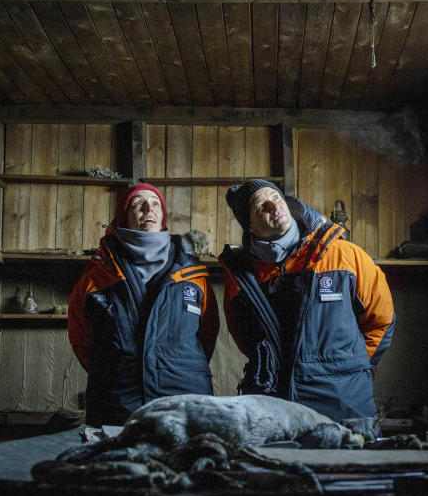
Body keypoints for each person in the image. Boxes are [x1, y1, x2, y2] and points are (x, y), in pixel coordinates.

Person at [219, 179, 394, 423]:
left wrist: (349, 367)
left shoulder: (344, 255)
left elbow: (382, 320)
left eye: (276, 197)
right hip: (277, 409)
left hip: (345, 405)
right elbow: (245, 339)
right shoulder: (240, 279)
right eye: (261, 205)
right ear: (249, 224)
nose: (273, 205)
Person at [68, 184, 219, 426]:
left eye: (156, 203)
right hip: (116, 403)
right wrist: (115, 370)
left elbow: (207, 335)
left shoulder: (193, 274)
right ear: (124, 217)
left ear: (162, 217)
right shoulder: (97, 276)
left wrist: (177, 366)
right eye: (138, 203)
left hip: (186, 401)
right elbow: (82, 340)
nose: (149, 208)